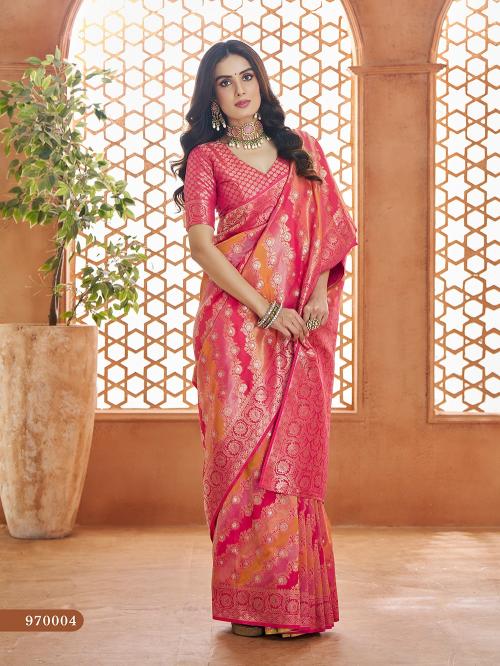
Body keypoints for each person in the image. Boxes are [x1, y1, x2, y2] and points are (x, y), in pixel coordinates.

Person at [171, 39, 358, 639]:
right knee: (242, 460)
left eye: (246, 76)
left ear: (261, 81)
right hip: (235, 328)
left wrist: (318, 295)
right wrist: (266, 309)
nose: (239, 90)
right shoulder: (206, 158)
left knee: (287, 457)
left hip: (300, 327)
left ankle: (290, 603)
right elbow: (202, 247)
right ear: (213, 96)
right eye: (225, 82)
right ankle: (247, 603)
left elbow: (331, 233)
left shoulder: (302, 149)